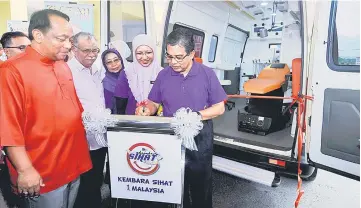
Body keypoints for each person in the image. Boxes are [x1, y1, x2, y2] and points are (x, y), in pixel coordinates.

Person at [0, 9, 92, 208]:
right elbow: (8, 126)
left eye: (70, 39)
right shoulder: (12, 71)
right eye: (61, 38)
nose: (68, 45)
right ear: (38, 35)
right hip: (42, 173)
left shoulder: (62, 65)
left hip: (72, 164)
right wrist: (24, 169)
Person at [136, 28, 227, 208]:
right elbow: (154, 102)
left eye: (179, 57)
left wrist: (195, 116)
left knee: (201, 186)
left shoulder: (207, 74)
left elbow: (219, 107)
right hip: (172, 137)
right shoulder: (164, 75)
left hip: (200, 138)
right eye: (169, 57)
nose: (173, 62)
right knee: (175, 186)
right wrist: (147, 109)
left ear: (192, 54)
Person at [67, 32, 107, 208]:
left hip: (99, 138)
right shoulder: (66, 71)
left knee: (95, 181)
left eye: (95, 50)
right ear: (74, 49)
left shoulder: (96, 69)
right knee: (80, 185)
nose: (92, 54)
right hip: (79, 139)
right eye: (87, 50)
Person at [114, 34, 163, 115]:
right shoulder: (127, 73)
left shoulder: (161, 73)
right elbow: (120, 103)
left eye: (148, 52)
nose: (144, 57)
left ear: (154, 51)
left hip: (157, 122)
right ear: (134, 53)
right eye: (139, 53)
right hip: (131, 122)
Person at [101, 48, 125, 113]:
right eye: (109, 62)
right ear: (105, 65)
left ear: (121, 60)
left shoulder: (131, 78)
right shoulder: (105, 84)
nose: (114, 64)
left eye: (116, 60)